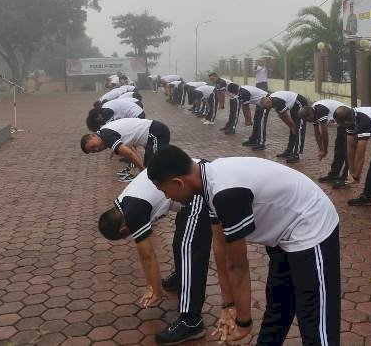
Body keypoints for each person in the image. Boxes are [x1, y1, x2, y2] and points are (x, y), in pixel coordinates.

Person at [147, 145, 341, 345]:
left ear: (178, 182)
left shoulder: (226, 193)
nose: (167, 197)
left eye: (164, 190)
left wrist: (243, 321)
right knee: (279, 302)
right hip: (283, 233)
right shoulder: (208, 181)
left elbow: (238, 266)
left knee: (314, 317)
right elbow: (220, 248)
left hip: (311, 225)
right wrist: (228, 305)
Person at [98, 165, 212, 345]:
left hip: (195, 187)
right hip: (184, 185)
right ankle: (179, 278)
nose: (130, 236)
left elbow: (147, 256)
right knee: (180, 242)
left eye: (125, 235)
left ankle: (191, 321)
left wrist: (155, 288)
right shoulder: (122, 205)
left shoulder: (132, 211)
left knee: (189, 247)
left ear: (123, 228)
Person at [80, 118, 171, 170]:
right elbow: (130, 151)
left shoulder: (106, 136)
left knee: (154, 168)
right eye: (93, 151)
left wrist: (141, 170)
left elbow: (129, 154)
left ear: (93, 135)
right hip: (152, 136)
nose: (96, 149)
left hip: (156, 132)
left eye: (93, 146)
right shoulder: (104, 132)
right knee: (151, 169)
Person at [299, 100, 349, 183]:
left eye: (308, 119)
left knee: (348, 150)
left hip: (349, 119)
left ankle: (345, 179)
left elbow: (324, 133)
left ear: (311, 114)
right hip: (341, 123)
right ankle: (334, 174)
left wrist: (325, 150)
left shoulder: (320, 111)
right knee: (339, 149)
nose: (308, 122)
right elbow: (317, 133)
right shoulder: (314, 112)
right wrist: (321, 149)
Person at [260, 91, 308, 164]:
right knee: (293, 128)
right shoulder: (272, 101)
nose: (268, 109)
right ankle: (289, 151)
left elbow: (285, 116)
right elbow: (281, 115)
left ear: (268, 102)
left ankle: (296, 154)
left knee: (299, 128)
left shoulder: (277, 101)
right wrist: (291, 126)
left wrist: (293, 126)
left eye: (267, 108)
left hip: (299, 102)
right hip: (293, 105)